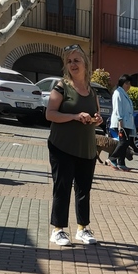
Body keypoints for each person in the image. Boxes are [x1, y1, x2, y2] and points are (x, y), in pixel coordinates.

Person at [45, 44, 103, 247]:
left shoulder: (92, 91)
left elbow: (96, 116)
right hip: (62, 147)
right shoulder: (62, 86)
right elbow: (50, 114)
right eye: (69, 61)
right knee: (62, 188)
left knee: (84, 190)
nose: (72, 64)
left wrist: (97, 120)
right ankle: (58, 230)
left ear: (85, 63)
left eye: (76, 60)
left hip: (86, 148)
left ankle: (82, 229)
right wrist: (74, 116)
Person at [108, 74, 135, 172]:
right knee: (123, 142)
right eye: (127, 83)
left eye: (129, 83)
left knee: (125, 143)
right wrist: (120, 121)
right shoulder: (118, 93)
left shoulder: (124, 94)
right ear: (122, 83)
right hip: (121, 123)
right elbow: (117, 108)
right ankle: (112, 158)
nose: (129, 85)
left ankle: (121, 163)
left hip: (127, 123)